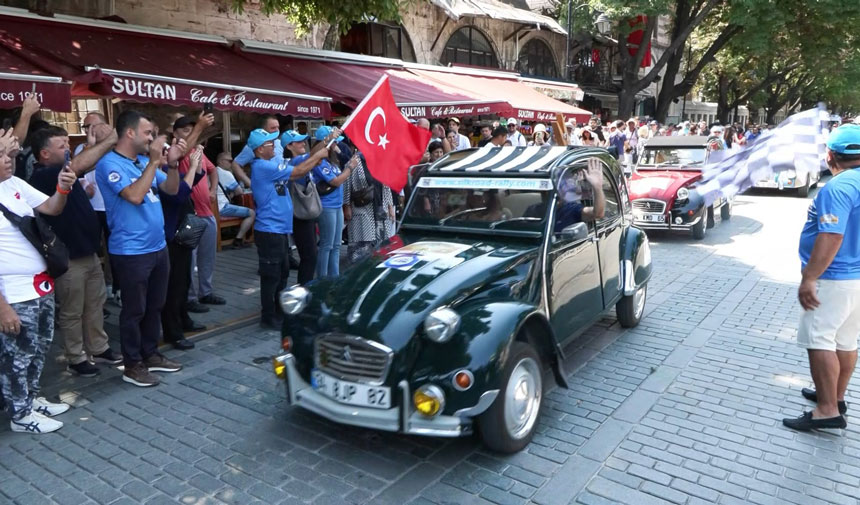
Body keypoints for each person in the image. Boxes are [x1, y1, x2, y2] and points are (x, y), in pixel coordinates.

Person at [95, 110, 186, 387]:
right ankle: (132, 364)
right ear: (130, 133)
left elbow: (172, 190)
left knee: (155, 305)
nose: (151, 138)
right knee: (134, 310)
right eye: (148, 133)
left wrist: (171, 165)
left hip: (157, 247)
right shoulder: (109, 164)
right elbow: (134, 196)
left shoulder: (143, 162)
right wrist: (154, 162)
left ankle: (151, 354)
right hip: (131, 251)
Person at [27, 125, 123, 378]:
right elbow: (80, 164)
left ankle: (99, 347)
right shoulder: (44, 174)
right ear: (45, 153)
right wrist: (110, 139)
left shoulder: (64, 171)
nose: (67, 149)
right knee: (72, 311)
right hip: (68, 258)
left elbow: (84, 163)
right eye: (61, 145)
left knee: (95, 303)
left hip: (88, 253)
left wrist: (91, 146)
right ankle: (76, 356)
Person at [0, 127, 77, 433]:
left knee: (39, 348)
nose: (10, 160)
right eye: (2, 155)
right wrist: (2, 307)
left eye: (10, 154)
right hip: (14, 293)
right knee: (16, 357)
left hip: (40, 284)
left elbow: (51, 208)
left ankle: (31, 400)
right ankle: (20, 415)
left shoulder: (14, 183)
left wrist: (63, 188)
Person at [784, 125, 860, 431]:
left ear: (830, 155)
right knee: (844, 340)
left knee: (819, 340)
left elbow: (831, 236)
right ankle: (835, 397)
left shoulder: (838, 188)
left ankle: (827, 410)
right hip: (854, 277)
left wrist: (809, 278)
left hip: (834, 278)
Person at [250, 128, 329, 329]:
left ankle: (278, 310)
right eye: (270, 143)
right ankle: (268, 316)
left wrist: (321, 149)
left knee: (282, 272)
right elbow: (299, 171)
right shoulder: (261, 167)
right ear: (260, 149)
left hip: (279, 229)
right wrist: (318, 155)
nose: (274, 146)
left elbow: (303, 164)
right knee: (271, 275)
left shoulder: (272, 163)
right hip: (269, 229)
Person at [160, 146, 207, 351]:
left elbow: (192, 180)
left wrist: (195, 162)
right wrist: (192, 165)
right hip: (170, 237)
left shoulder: (169, 171)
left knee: (184, 280)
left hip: (183, 235)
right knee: (173, 286)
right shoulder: (156, 174)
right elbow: (179, 194)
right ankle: (173, 332)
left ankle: (183, 319)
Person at [343, 154, 396, 263]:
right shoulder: (353, 162)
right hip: (361, 207)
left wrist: (390, 206)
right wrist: (346, 205)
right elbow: (346, 185)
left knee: (381, 243)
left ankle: (378, 266)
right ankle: (358, 268)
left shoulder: (381, 161)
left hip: (380, 207)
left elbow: (386, 186)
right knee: (362, 243)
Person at [215, 152, 255, 248]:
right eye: (229, 161)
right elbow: (240, 191)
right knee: (252, 213)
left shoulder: (213, 171)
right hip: (222, 207)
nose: (231, 163)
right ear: (221, 162)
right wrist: (232, 194)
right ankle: (238, 239)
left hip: (214, 208)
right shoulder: (226, 173)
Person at [232, 115, 281, 187]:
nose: (277, 130)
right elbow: (235, 165)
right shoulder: (254, 146)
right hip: (265, 191)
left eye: (278, 127)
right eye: (273, 128)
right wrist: (251, 184)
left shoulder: (279, 143)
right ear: (263, 130)